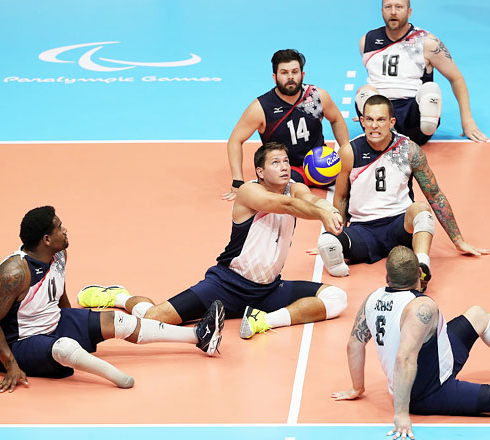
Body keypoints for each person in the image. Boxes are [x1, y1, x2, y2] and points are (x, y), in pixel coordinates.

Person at [80, 143, 348, 339]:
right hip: (227, 284)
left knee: (336, 298)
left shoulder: (294, 188)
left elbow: (309, 198)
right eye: (275, 163)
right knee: (152, 319)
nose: (284, 167)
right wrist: (322, 214)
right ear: (260, 171)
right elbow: (287, 205)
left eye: (286, 162)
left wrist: (329, 210)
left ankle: (263, 320)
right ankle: (121, 297)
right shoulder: (249, 192)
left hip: (267, 291)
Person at [332, 246, 490, 440]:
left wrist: (357, 388)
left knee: (478, 315)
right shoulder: (422, 306)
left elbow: (354, 345)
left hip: (439, 359)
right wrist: (401, 413)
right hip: (429, 392)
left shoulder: (371, 299)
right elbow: (404, 359)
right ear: (419, 276)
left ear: (387, 276)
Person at [0, 206, 224, 394]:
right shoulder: (14, 273)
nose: (65, 230)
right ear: (46, 239)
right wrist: (10, 364)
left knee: (118, 320)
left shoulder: (59, 253)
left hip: (52, 321)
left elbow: (58, 289)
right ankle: (116, 377)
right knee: (64, 347)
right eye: (59, 227)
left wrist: (77, 322)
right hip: (19, 342)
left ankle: (198, 337)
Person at [316, 94, 488, 287]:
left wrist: (458, 240)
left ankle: (421, 266)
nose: (374, 125)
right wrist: (335, 234)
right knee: (326, 242)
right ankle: (337, 263)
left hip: (400, 227)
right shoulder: (349, 152)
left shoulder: (408, 150)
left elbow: (435, 195)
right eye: (370, 119)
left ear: (392, 122)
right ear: (362, 121)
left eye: (381, 120)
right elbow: (341, 197)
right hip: (363, 229)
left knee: (421, 209)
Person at [354, 0, 488, 145]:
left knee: (430, 89)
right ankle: (375, 124)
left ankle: (411, 131)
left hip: (413, 116)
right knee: (364, 92)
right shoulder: (367, 41)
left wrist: (467, 121)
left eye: (399, 7)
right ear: (382, 10)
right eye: (388, 7)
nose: (393, 12)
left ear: (409, 11)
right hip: (383, 114)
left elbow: (456, 78)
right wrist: (369, 111)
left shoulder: (427, 42)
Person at [222, 49, 350, 201]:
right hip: (288, 169)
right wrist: (237, 181)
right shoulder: (262, 107)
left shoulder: (317, 96)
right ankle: (323, 211)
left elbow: (336, 119)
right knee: (298, 194)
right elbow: (235, 140)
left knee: (358, 181)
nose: (290, 77)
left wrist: (346, 152)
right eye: (284, 73)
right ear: (274, 77)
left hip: (321, 163)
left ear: (302, 75)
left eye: (295, 72)